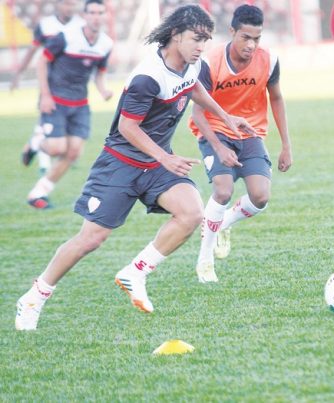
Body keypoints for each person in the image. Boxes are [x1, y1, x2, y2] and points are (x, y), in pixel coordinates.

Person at [15, 4, 256, 331]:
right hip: (120, 165)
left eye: (206, 39)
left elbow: (194, 86)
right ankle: (35, 296)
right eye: (196, 39)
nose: (202, 46)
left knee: (191, 213)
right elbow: (128, 128)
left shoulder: (191, 64)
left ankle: (135, 272)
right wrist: (166, 158)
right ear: (175, 35)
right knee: (90, 240)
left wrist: (226, 116)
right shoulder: (148, 77)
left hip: (155, 162)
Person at [188, 4, 292, 283]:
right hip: (215, 130)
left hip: (250, 132)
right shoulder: (210, 62)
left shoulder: (269, 60)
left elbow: (277, 98)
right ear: (231, 31)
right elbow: (197, 111)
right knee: (223, 190)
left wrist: (286, 145)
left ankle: (223, 224)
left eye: (257, 38)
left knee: (261, 197)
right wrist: (219, 147)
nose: (251, 44)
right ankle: (205, 261)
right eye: (245, 37)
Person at [24, 0, 113, 210]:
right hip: (55, 100)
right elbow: (42, 61)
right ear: (84, 15)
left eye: (100, 12)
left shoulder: (106, 44)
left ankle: (39, 192)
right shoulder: (66, 36)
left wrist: (103, 90)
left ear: (105, 16)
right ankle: (36, 142)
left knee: (73, 153)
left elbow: (99, 72)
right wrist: (45, 95)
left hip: (80, 104)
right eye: (92, 12)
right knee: (56, 148)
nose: (96, 16)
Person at [12, 0, 84, 174]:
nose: (70, 7)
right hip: (51, 82)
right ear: (58, 5)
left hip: (72, 87)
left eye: (72, 4)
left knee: (59, 124)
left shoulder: (81, 25)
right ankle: (44, 164)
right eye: (66, 4)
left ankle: (37, 145)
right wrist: (19, 73)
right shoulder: (45, 25)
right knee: (48, 120)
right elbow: (32, 50)